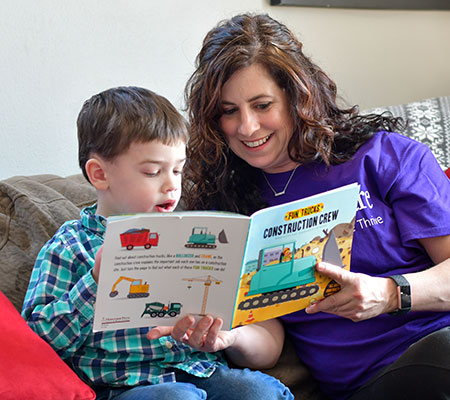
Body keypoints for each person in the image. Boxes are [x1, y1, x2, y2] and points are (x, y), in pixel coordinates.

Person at [148, 14, 450, 400]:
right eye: (228, 111)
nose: (247, 127)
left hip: (436, 337)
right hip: (369, 383)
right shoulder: (224, 205)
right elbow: (269, 341)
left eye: (261, 105)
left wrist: (390, 294)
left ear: (298, 96)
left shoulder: (385, 156)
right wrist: (230, 336)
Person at [21, 86, 294, 400]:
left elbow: (253, 336)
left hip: (199, 370)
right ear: (99, 174)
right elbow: (38, 343)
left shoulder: (192, 235)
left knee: (257, 391)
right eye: (153, 172)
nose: (172, 186)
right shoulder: (70, 247)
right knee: (177, 398)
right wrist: (95, 283)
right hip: (126, 386)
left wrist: (221, 333)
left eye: (178, 170)